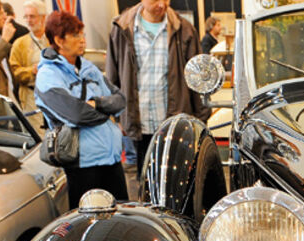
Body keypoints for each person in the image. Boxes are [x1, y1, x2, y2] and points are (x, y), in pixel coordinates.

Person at [36, 11, 127, 211]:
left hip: (111, 159)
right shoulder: (48, 76)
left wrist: (97, 104)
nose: (82, 40)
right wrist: (104, 110)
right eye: (76, 35)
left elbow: (120, 100)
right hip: (83, 165)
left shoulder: (89, 68)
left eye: (82, 34)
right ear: (59, 41)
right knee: (90, 228)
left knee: (122, 222)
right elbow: (76, 114)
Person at [106, 0, 209, 176]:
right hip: (141, 122)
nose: (162, 4)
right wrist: (117, 113)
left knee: (178, 182)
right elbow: (112, 75)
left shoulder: (184, 29)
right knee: (145, 181)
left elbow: (197, 77)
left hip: (175, 122)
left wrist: (201, 116)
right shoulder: (121, 29)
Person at [9, 1, 48, 116]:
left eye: (32, 16)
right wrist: (32, 70)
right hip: (31, 98)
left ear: (43, 17)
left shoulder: (54, 40)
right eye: (26, 17)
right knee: (37, 132)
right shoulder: (19, 44)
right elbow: (15, 71)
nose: (28, 20)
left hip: (55, 95)